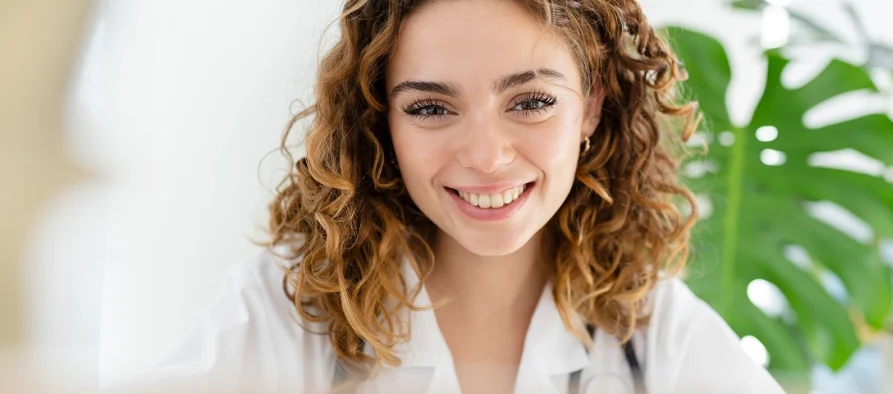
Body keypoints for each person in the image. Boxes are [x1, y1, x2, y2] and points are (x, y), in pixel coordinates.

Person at [124, 0, 786, 393]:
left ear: (591, 110)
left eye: (530, 102)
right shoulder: (290, 311)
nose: (486, 156)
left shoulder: (655, 338)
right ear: (381, 121)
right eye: (433, 108)